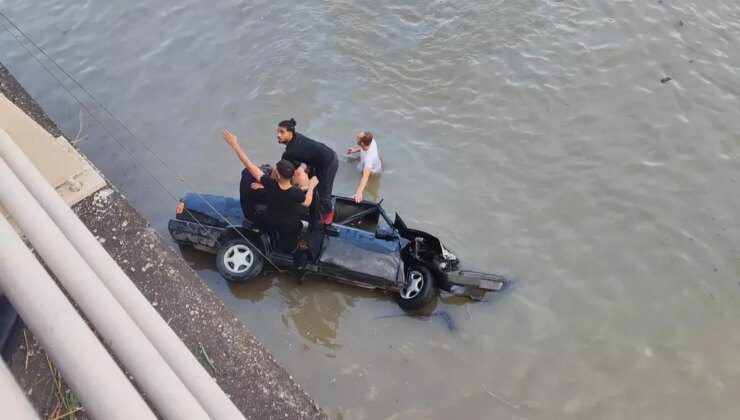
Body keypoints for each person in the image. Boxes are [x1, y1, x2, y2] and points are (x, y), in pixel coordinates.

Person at [223, 129, 318, 261]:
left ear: (278, 175)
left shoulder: (270, 185)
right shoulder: (293, 192)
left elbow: (249, 165)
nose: (273, 170)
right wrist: (312, 186)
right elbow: (307, 202)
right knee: (295, 230)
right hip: (281, 220)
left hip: (270, 214)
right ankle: (293, 252)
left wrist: (235, 145)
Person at [277, 118, 338, 224]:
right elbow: (308, 152)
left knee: (324, 195)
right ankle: (313, 202)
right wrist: (308, 168)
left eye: (282, 132)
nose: (278, 135)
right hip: (320, 159)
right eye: (278, 132)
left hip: (329, 162)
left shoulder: (291, 152)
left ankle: (330, 211)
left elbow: (283, 173)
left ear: (290, 132)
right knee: (313, 186)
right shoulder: (296, 137)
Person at [346, 131, 382, 203]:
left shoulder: (369, 158)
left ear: (362, 143)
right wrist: (355, 150)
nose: (357, 137)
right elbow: (363, 148)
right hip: (369, 163)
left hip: (372, 172)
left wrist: (358, 192)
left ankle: (364, 194)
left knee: (366, 184)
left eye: (358, 138)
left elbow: (366, 176)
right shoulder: (371, 141)